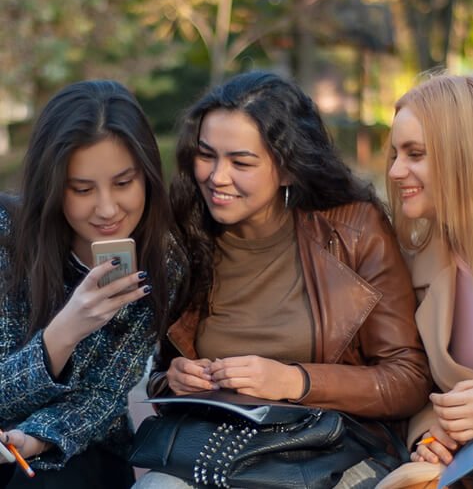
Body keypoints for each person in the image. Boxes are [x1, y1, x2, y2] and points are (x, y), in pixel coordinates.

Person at [133, 70, 433, 489]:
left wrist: (294, 380)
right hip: (217, 452)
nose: (217, 177)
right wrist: (175, 379)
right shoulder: (185, 237)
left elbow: (409, 379)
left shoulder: (354, 231)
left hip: (327, 451)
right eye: (207, 155)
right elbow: (160, 372)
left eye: (241, 162)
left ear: (288, 169)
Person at [0, 80, 181, 488]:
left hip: (81, 447)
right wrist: (61, 335)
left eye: (123, 183)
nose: (107, 209)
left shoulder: (162, 262)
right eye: (82, 189)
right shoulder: (7, 236)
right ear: (53, 186)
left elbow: (103, 396)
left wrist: (34, 439)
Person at [382, 73, 473, 486]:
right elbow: (425, 387)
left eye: (415, 154)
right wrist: (432, 435)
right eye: (396, 153)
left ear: (466, 153)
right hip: (470, 465)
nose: (396, 171)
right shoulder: (414, 265)